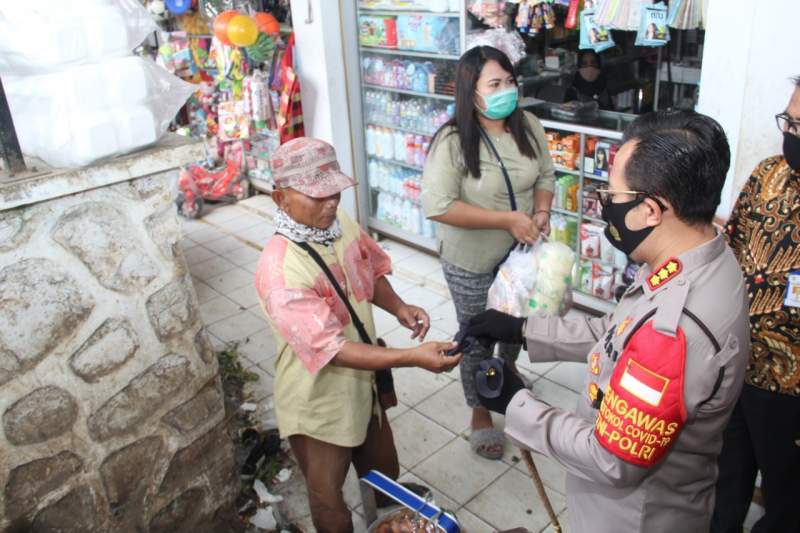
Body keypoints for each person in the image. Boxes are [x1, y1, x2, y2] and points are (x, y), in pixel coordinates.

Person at [462, 110, 751, 532]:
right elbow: (619, 334)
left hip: (630, 516)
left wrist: (516, 404)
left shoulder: (675, 328)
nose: (604, 208)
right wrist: (523, 330)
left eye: (612, 196)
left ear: (651, 210)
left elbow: (611, 459)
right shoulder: (701, 257)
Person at [255, 137, 461, 533]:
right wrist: (413, 356)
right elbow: (332, 350)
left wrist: (399, 306)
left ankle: (386, 523)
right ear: (281, 199)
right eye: (316, 195)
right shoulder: (279, 271)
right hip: (318, 397)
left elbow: (367, 270)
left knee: (384, 473)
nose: (330, 202)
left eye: (334, 191)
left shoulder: (337, 223)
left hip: (364, 383)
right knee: (327, 493)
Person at [421, 46, 555, 460]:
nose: (506, 91)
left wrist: (541, 210)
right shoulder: (452, 140)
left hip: (520, 255)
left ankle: (508, 373)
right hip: (472, 259)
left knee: (515, 323)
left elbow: (546, 174)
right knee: (478, 333)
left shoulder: (528, 125)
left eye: (509, 81)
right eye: (494, 84)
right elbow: (438, 205)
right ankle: (480, 409)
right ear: (471, 92)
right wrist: (505, 220)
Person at [710, 76, 800, 533]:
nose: (793, 136)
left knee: (788, 498)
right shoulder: (769, 174)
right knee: (725, 479)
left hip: (793, 386)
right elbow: (734, 241)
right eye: (790, 121)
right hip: (738, 360)